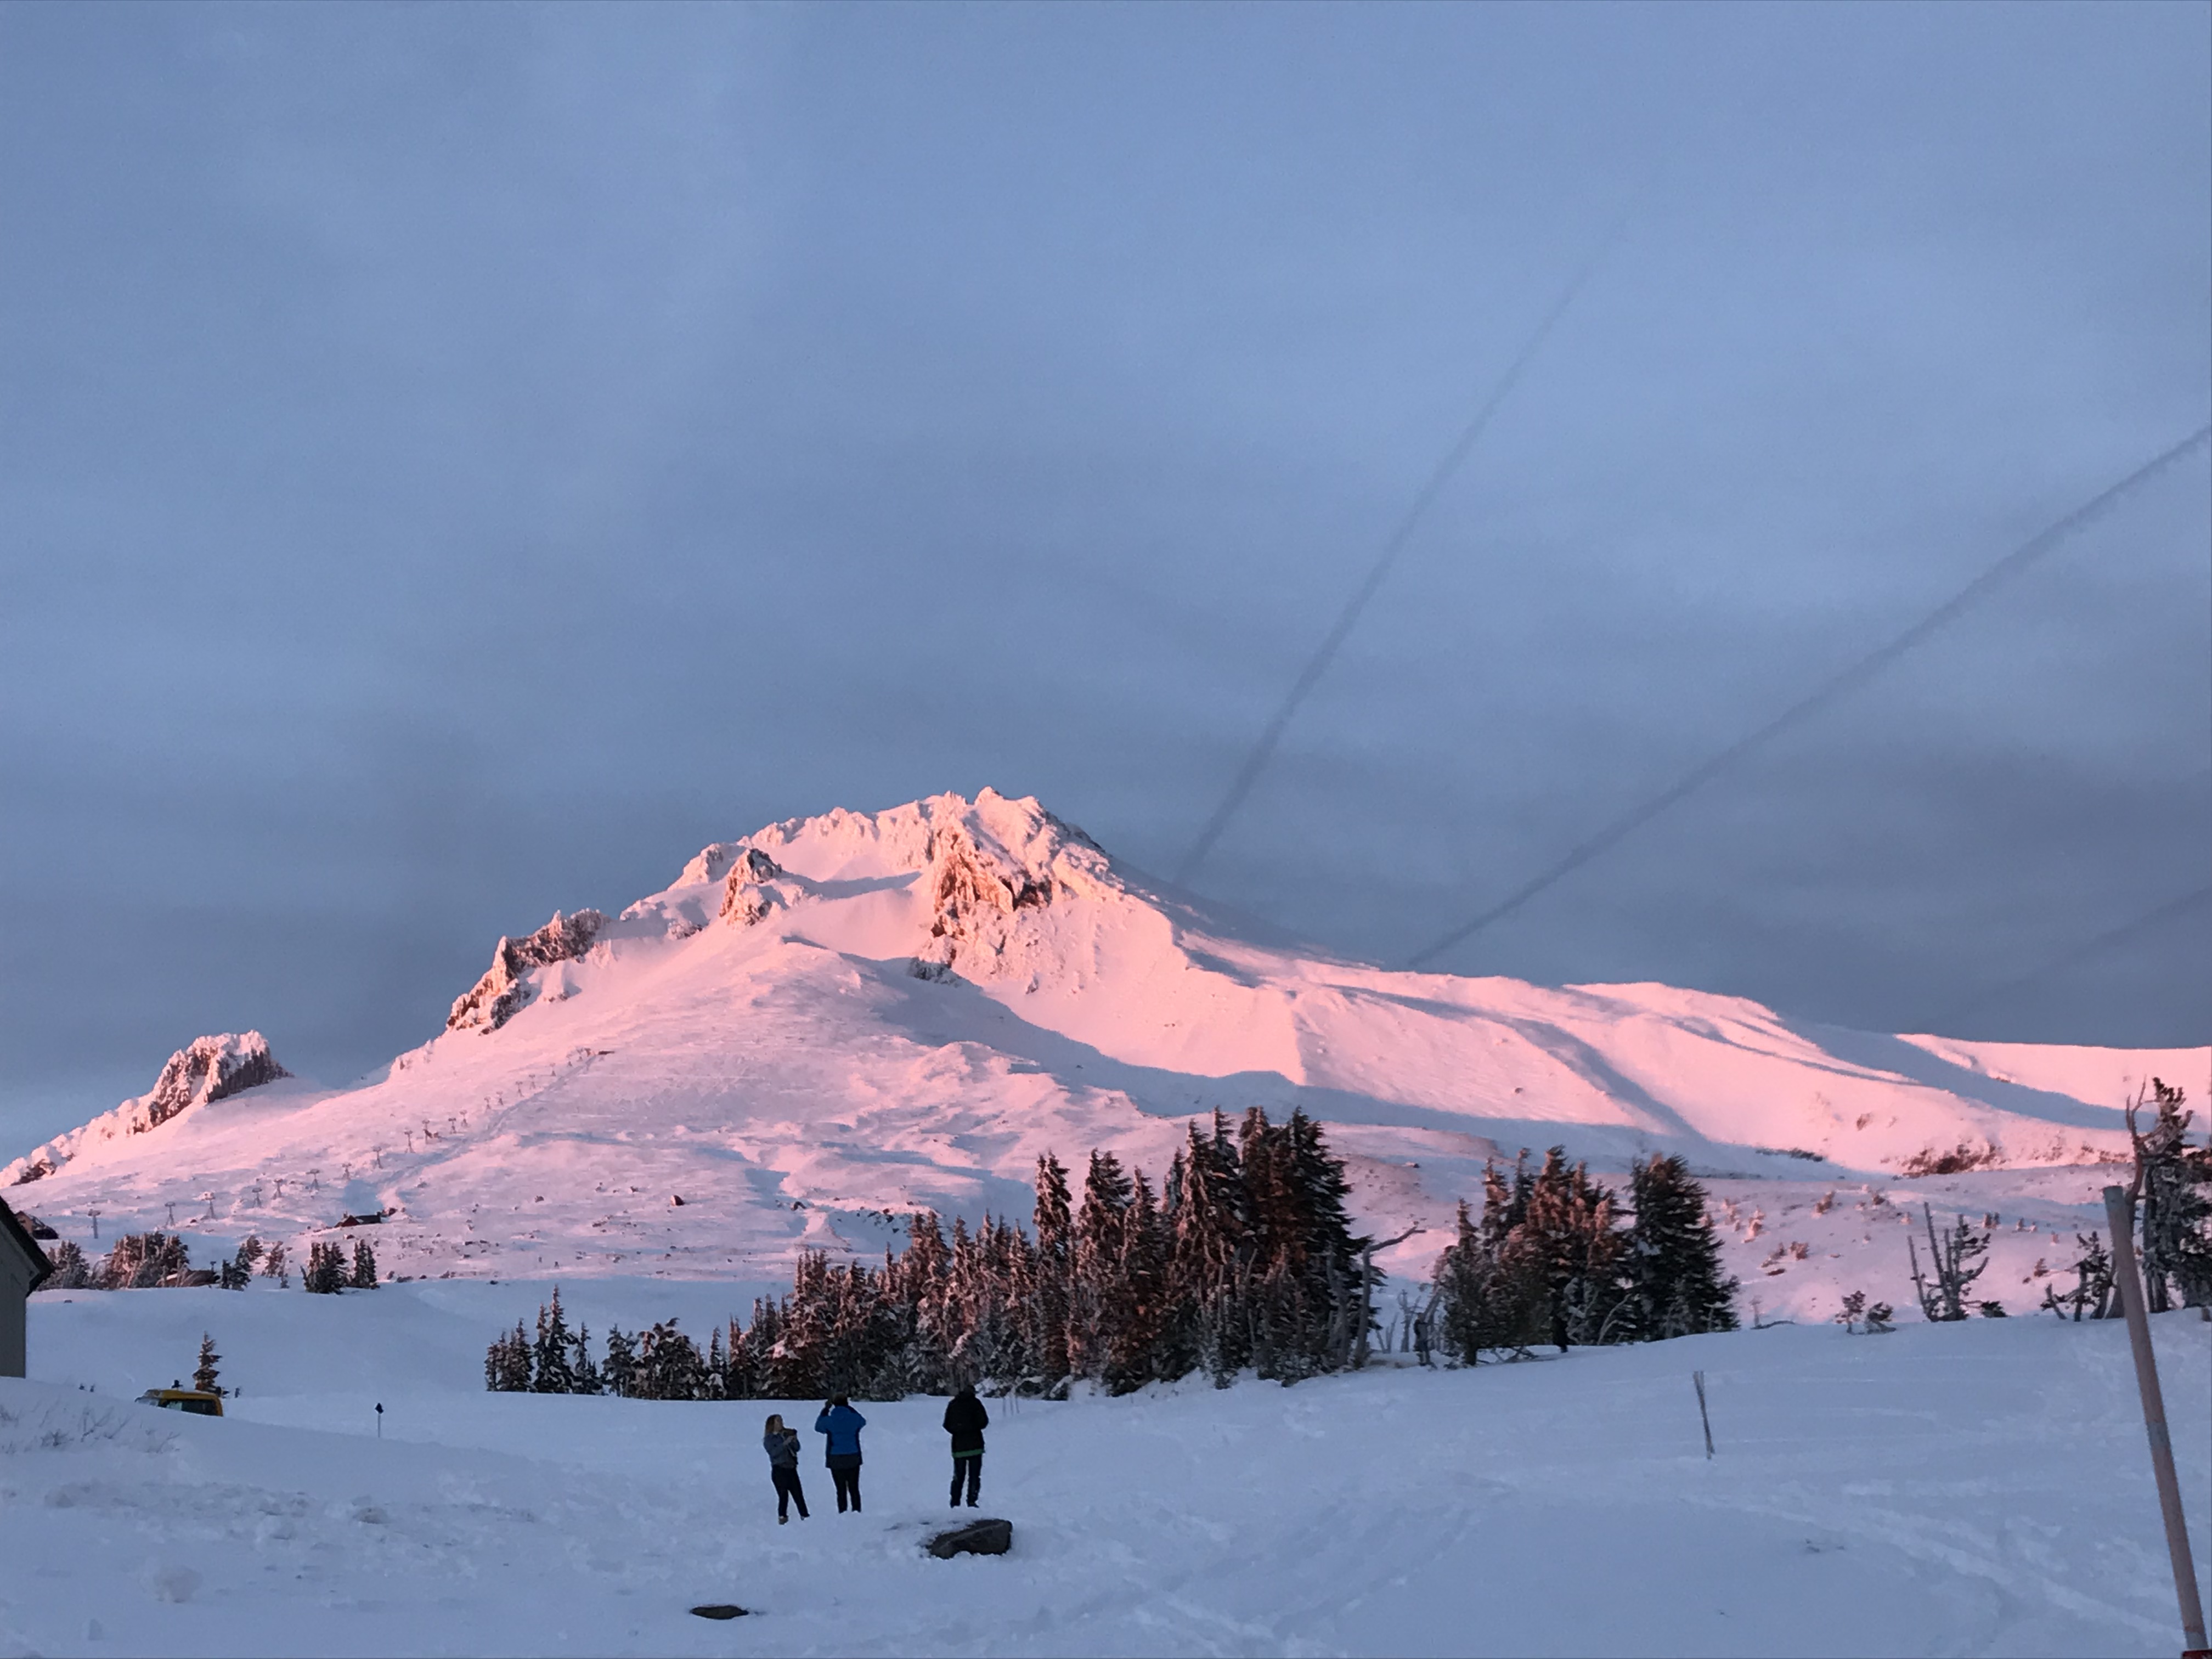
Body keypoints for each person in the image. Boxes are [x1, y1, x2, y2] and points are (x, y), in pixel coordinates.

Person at [815, 1394, 867, 1513]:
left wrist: (825, 1410)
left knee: (840, 1489)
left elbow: (818, 1427)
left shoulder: (829, 1420)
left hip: (835, 1457)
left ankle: (843, 1511)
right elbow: (862, 1421)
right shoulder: (853, 1418)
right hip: (853, 1455)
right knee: (854, 1488)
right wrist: (851, 1409)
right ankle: (856, 1511)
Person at [942, 1383, 988, 1508]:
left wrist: (958, 1431)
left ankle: (955, 1502)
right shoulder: (976, 1404)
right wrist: (972, 1428)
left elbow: (947, 1425)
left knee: (958, 1475)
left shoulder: (953, 1405)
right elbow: (984, 1422)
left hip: (959, 1447)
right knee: (974, 1476)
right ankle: (972, 1501)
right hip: (976, 1446)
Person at [763, 1413, 808, 1523]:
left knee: (798, 1494)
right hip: (779, 1469)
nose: (781, 1423)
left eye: (781, 1420)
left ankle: (805, 1515)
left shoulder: (785, 1434)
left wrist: (794, 1440)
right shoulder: (769, 1439)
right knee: (783, 1495)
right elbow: (773, 1453)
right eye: (778, 1421)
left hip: (791, 1468)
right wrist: (784, 1444)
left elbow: (797, 1448)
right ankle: (783, 1517)